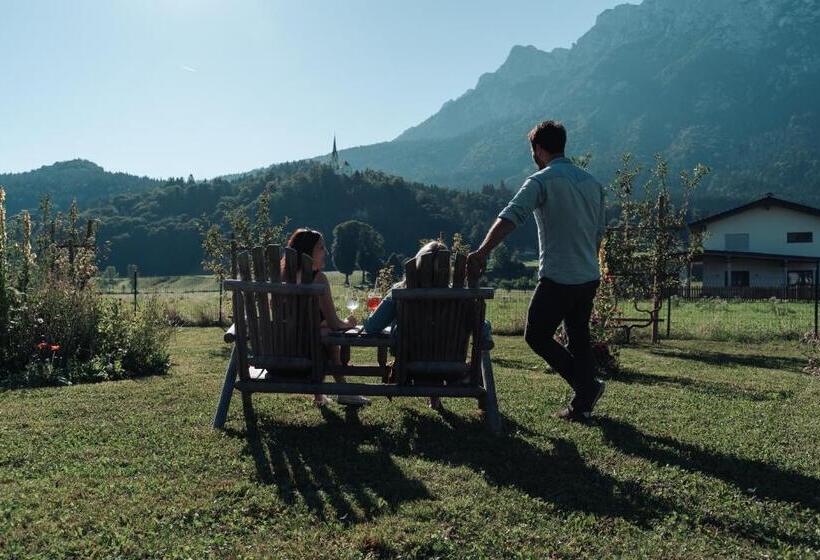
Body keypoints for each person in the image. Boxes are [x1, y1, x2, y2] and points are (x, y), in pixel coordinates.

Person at [466, 120, 606, 423]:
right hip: (588, 275)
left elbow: (511, 216)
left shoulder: (541, 181)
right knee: (579, 337)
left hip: (558, 275)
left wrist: (482, 251)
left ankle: (587, 387)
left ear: (539, 149)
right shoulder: (593, 184)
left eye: (533, 150)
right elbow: (599, 233)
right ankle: (582, 405)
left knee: (536, 335)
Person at [363, 240, 493, 410]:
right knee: (437, 335)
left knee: (425, 335)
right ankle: (437, 398)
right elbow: (481, 328)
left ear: (416, 265)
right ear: (447, 270)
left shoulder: (400, 292)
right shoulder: (459, 297)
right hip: (452, 368)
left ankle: (434, 398)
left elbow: (372, 327)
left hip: (410, 367)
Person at [285, 228, 370, 407]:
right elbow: (335, 323)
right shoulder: (319, 279)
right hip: (307, 354)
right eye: (322, 248)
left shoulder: (281, 277)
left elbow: (295, 320)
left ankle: (320, 395)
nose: (327, 252)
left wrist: (320, 324)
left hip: (280, 350)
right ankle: (343, 390)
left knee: (322, 330)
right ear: (308, 252)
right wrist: (348, 322)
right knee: (328, 332)